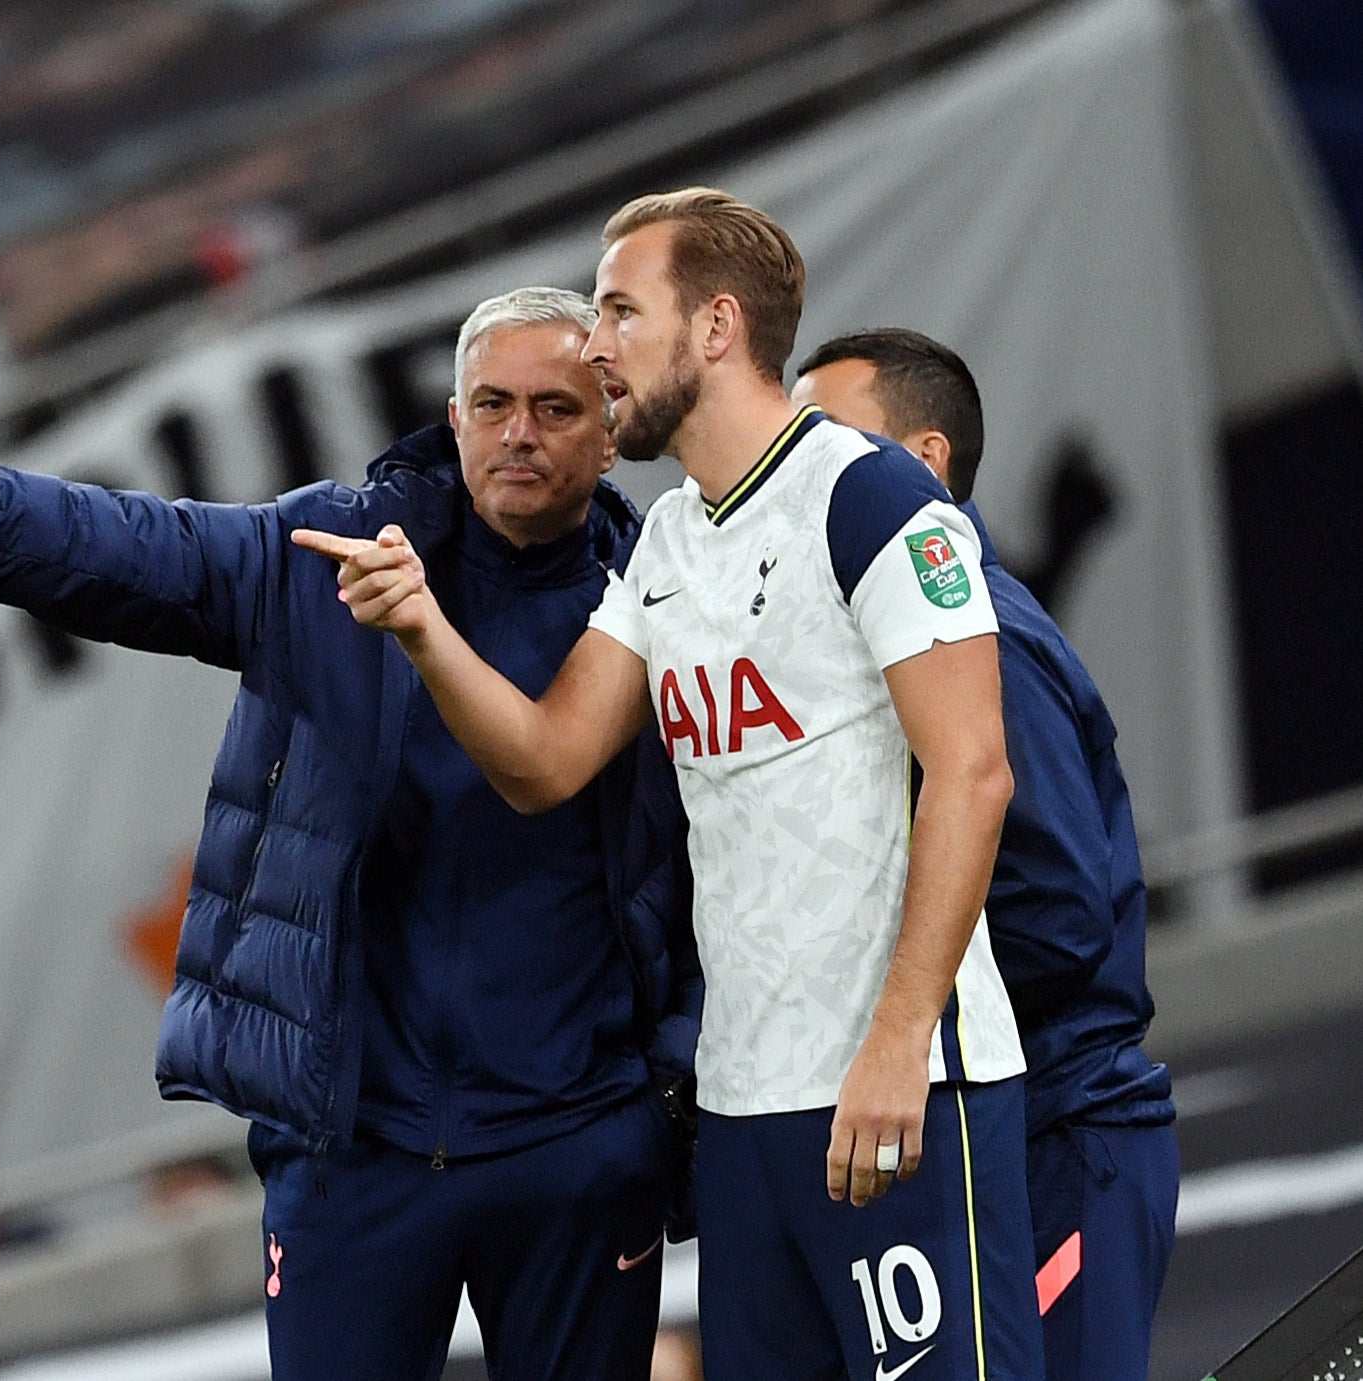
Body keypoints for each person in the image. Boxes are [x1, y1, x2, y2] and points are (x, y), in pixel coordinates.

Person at [0, 286, 700, 1381]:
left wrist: (657, 1101)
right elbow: (116, 543)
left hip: (576, 1140)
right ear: (455, 416)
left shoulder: (670, 595)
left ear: (613, 431)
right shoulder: (320, 556)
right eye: (493, 402)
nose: (519, 432)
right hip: (356, 1151)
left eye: (557, 408)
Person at [296, 188, 1044, 1379]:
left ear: (714, 328)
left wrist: (901, 1043)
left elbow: (974, 772)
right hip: (742, 1112)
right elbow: (544, 762)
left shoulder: (870, 498)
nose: (594, 345)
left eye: (617, 311)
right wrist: (423, 627)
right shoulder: (666, 540)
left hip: (900, 1090)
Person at [793, 327, 1179, 1381]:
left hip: (1055, 1129)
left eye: (824, 445)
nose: (797, 478)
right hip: (991, 1131)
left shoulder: (982, 641)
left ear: (921, 464)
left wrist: (883, 1016)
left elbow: (1057, 911)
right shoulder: (881, 642)